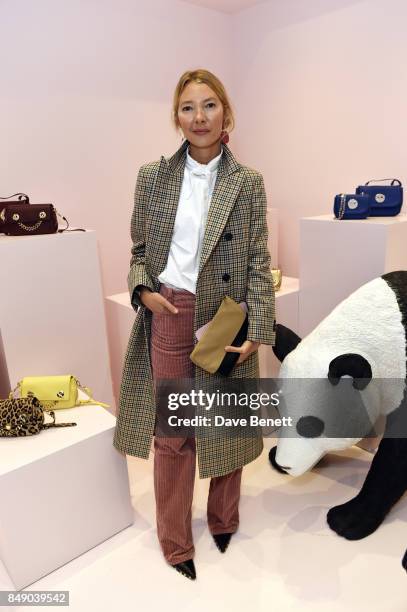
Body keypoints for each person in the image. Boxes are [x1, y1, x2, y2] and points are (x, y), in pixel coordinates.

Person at [113, 68, 276, 581]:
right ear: (176, 117)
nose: (199, 116)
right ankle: (175, 539)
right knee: (175, 433)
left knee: (226, 423)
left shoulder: (247, 182)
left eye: (209, 105)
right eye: (188, 107)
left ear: (226, 112)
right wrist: (145, 291)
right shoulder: (152, 176)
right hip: (172, 310)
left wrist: (259, 329)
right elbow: (140, 251)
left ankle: (224, 519)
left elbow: (256, 260)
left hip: (227, 314)